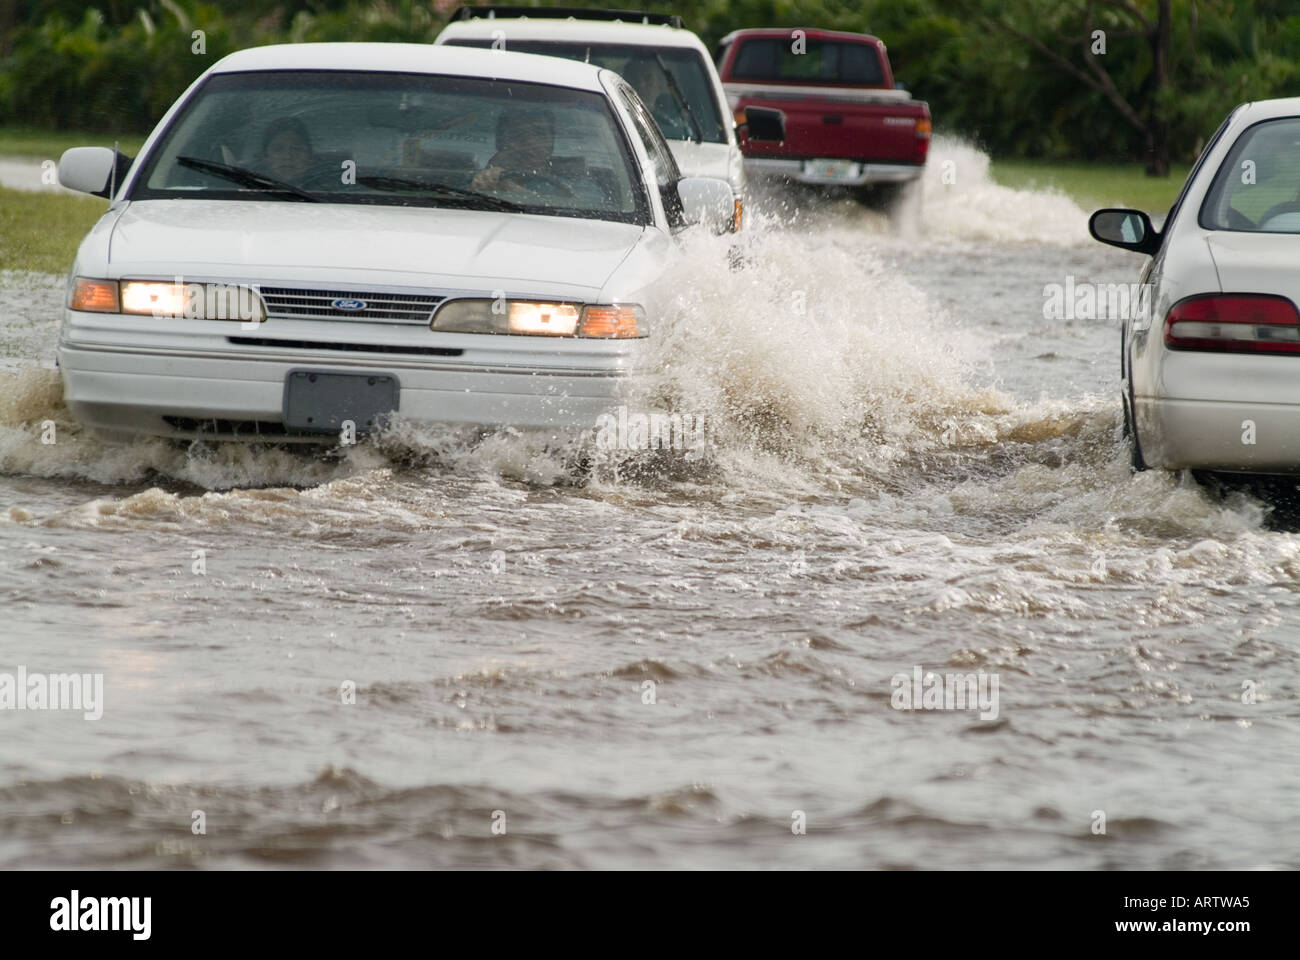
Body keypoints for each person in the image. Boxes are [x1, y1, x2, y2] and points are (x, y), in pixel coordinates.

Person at [470, 107, 575, 200]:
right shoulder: (478, 179)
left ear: (551, 142)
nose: (530, 142)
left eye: (539, 134)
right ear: (500, 142)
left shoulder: (576, 180)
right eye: (518, 134)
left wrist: (511, 188)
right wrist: (483, 182)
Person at [621, 59, 692, 141]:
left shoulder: (675, 118)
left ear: (660, 84)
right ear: (624, 80)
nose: (641, 84)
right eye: (634, 77)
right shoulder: (614, 112)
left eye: (648, 79)